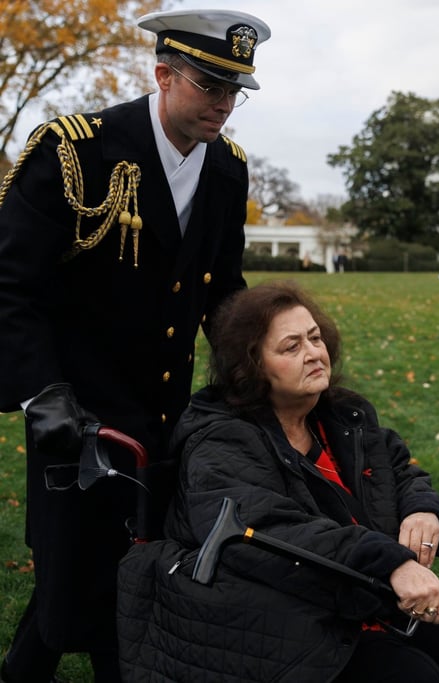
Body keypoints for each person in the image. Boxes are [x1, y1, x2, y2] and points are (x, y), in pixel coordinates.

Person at [0, 9, 271, 681]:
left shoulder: (228, 170)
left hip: (165, 412)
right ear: (162, 74)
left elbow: (223, 289)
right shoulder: (75, 150)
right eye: (210, 86)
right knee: (76, 574)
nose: (225, 105)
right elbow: (10, 286)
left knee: (128, 567)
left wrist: (258, 372)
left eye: (235, 90)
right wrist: (42, 394)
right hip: (74, 411)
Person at [117, 281, 439, 682]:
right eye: (291, 347)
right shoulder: (221, 439)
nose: (313, 354)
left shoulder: (342, 414)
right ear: (249, 367)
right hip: (271, 612)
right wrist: (388, 563)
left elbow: (398, 469)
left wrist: (422, 508)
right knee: (411, 674)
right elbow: (270, 532)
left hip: (359, 592)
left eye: (315, 338)